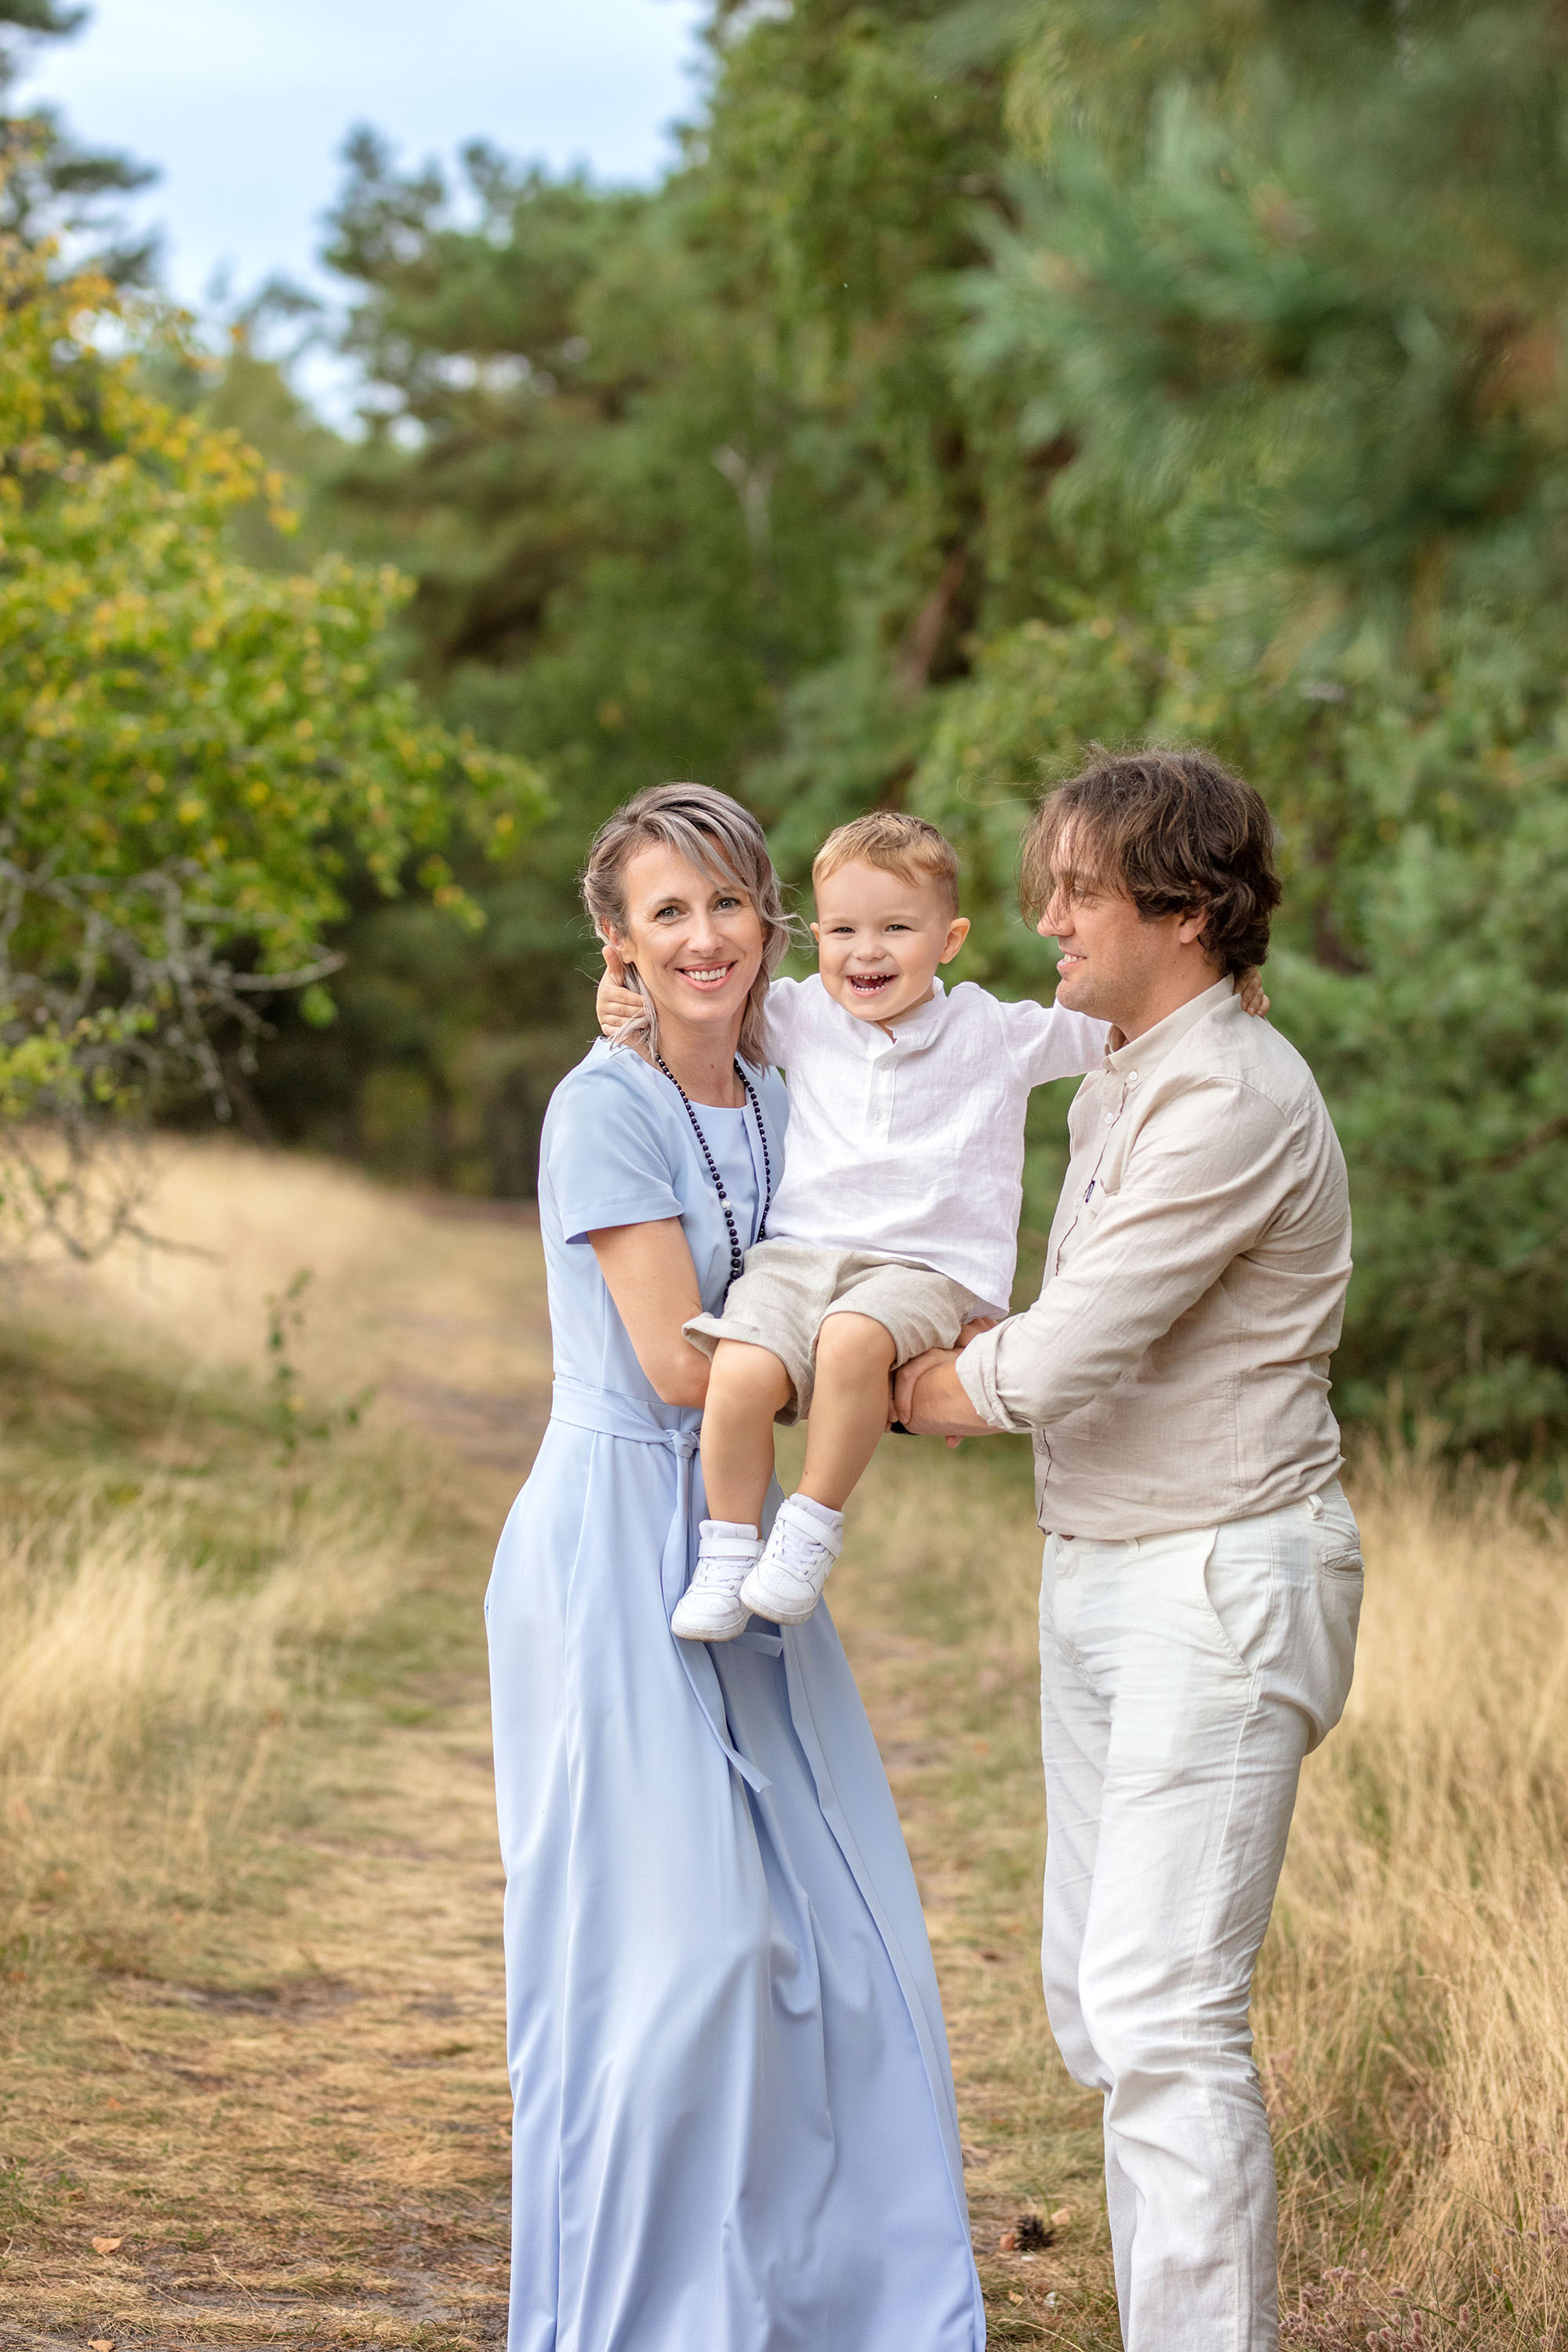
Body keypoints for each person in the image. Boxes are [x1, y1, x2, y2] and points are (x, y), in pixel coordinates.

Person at [485, 782, 985, 2352]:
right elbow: (676, 1368)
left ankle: (818, 2304)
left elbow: (952, 1032)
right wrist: (917, 1377)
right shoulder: (603, 1108)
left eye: (725, 904)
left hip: (742, 1534)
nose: (703, 937)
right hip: (619, 1530)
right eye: (665, 912)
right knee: (676, 1957)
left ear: (767, 922)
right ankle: (638, 2312)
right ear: (618, 945)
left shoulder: (787, 1073)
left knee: (832, 1943)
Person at [895, 747, 1360, 2352]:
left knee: (1165, 2020)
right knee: (1099, 2011)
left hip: (1215, 1584)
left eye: (1079, 889)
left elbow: (1063, 1353)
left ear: (1182, 903)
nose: (1047, 920)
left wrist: (892, 1388)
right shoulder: (1118, 1076)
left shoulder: (1229, 1095)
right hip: (1099, 1564)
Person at [597, 808, 1269, 1642]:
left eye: (895, 929)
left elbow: (1125, 1020)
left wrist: (1221, 985)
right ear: (814, 936)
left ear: (947, 940)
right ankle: (729, 1547)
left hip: (921, 1269)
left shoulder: (992, 1031)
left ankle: (809, 1527)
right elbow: (694, 1016)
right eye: (842, 930)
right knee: (736, 1365)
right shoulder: (797, 1016)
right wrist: (625, 995)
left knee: (848, 1343)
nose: (865, 951)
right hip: (798, 1257)